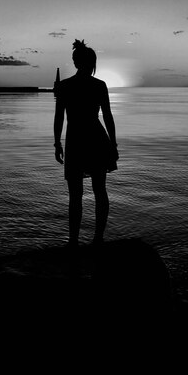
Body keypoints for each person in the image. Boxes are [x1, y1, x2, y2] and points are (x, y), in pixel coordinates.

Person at [54, 39, 119, 248]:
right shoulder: (99, 86)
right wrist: (114, 145)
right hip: (96, 139)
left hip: (76, 140)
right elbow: (107, 117)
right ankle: (98, 238)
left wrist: (57, 143)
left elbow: (59, 119)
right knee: (100, 191)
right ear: (91, 64)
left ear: (75, 62)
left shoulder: (65, 86)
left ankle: (73, 241)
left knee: (75, 195)